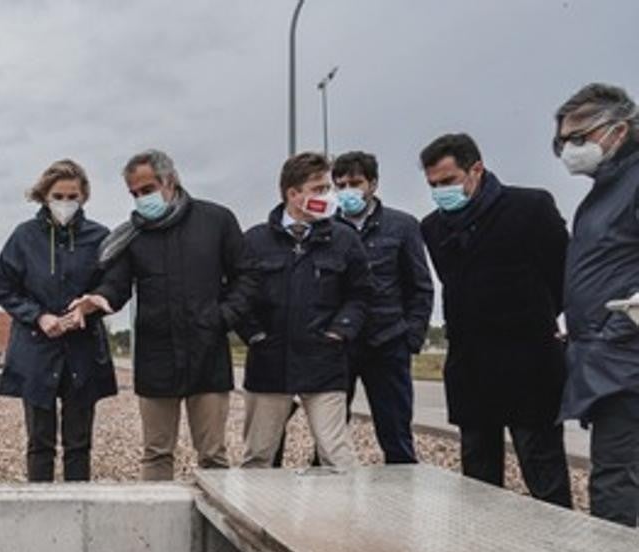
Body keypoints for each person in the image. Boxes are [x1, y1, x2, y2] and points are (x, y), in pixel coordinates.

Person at [69, 149, 255, 480]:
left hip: (207, 352)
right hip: (156, 356)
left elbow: (246, 276)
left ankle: (216, 526)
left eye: (147, 189)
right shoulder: (133, 234)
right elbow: (117, 283)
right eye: (135, 194)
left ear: (169, 181)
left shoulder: (216, 221)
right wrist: (97, 300)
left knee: (213, 455)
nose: (142, 199)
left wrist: (223, 317)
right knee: (155, 453)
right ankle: (153, 526)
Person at [419, 133, 572, 506]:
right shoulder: (433, 228)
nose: (441, 191)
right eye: (433, 185)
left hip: (529, 364)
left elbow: (562, 273)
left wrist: (535, 317)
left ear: (476, 169)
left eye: (449, 181)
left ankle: (561, 551)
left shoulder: (529, 208)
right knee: (478, 480)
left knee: (543, 471)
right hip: (471, 368)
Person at [237, 152, 373, 468]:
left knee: (337, 455)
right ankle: (255, 515)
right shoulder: (256, 241)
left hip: (324, 362)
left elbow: (361, 294)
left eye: (329, 188)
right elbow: (238, 294)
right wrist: (254, 335)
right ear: (294, 194)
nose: (329, 196)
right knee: (258, 456)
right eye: (320, 188)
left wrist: (340, 331)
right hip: (269, 364)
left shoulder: (344, 239)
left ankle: (341, 517)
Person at [0, 159, 118, 482]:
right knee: (39, 442)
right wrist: (38, 316)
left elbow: (115, 284)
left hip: (83, 349)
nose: (65, 203)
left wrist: (89, 306)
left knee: (79, 443)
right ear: (44, 197)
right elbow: (4, 288)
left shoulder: (100, 237)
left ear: (84, 196)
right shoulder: (23, 237)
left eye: (72, 196)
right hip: (36, 351)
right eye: (58, 196)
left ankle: (78, 510)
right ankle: (40, 511)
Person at [554, 83, 639, 525]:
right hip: (606, 356)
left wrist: (617, 330)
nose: (570, 149)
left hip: (625, 360)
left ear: (618, 130)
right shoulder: (607, 189)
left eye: (579, 137)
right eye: (563, 141)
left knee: (615, 477)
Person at [332, 151, 434, 463]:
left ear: (372, 183)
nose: (348, 190)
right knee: (330, 435)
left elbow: (420, 286)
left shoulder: (401, 226)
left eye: (355, 182)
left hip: (388, 343)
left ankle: (404, 497)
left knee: (396, 434)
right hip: (340, 345)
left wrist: (411, 338)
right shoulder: (328, 227)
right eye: (340, 184)